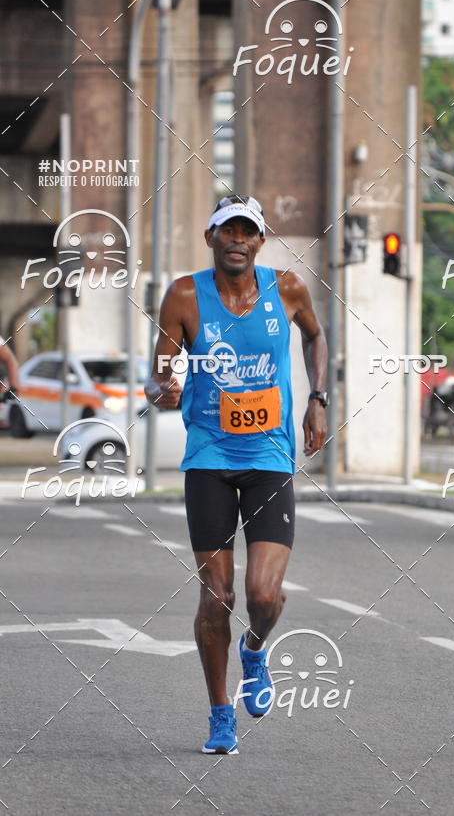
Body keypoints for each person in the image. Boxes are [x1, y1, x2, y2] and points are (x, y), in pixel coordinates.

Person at [145, 194, 328, 755]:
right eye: (228, 232)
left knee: (264, 595)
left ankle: (255, 648)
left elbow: (316, 336)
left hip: (269, 458)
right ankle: (220, 713)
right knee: (217, 594)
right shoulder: (183, 295)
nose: (238, 241)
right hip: (209, 462)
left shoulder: (288, 289)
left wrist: (317, 399)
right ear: (211, 239)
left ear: (260, 241)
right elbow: (157, 376)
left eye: (248, 232)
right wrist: (165, 389)